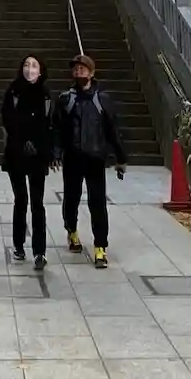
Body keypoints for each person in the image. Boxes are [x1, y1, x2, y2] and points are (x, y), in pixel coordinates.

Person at [53, 53, 127, 269]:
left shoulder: (102, 100)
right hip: (73, 158)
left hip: (95, 159)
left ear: (92, 73)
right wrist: (56, 153)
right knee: (71, 198)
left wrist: (120, 158)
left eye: (83, 69)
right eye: (75, 69)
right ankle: (72, 231)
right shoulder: (66, 99)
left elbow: (113, 131)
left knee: (98, 203)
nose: (78, 72)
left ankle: (100, 246)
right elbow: (57, 129)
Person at [0, 54, 53, 270]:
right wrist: (22, 140)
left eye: (34, 66)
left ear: (41, 71)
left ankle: (40, 251)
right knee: (21, 199)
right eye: (26, 65)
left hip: (38, 155)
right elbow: (7, 119)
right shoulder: (13, 91)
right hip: (16, 153)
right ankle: (19, 244)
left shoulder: (46, 95)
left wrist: (44, 148)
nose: (29, 69)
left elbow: (49, 124)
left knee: (37, 203)